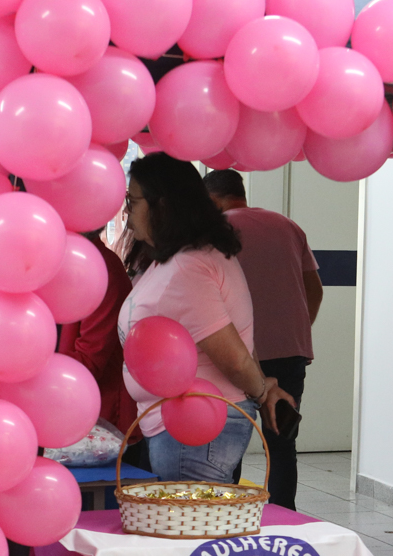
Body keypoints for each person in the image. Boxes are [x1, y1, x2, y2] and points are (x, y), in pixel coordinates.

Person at [119, 154, 293, 484]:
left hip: (196, 429)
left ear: (162, 205)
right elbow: (239, 340)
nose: (128, 210)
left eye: (133, 200)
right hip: (180, 427)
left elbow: (233, 355)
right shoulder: (173, 260)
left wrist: (260, 392)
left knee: (192, 532)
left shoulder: (189, 268)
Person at [204, 169, 322, 510]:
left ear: (212, 200)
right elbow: (315, 290)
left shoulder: (213, 231)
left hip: (233, 353)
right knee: (282, 443)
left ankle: (226, 518)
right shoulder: (288, 226)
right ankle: (285, 517)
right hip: (289, 352)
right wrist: (297, 328)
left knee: (226, 443)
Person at [57, 231, 137, 438]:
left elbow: (89, 361)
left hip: (101, 425)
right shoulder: (58, 265)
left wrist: (28, 363)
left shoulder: (100, 270)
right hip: (66, 411)